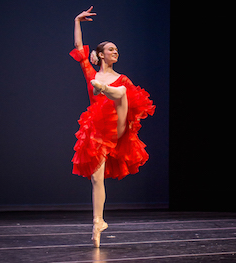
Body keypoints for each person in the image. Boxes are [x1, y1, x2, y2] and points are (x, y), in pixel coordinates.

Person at [69, 6, 156, 247]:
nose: (115, 52)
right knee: (97, 180)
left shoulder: (122, 78)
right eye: (111, 49)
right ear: (101, 54)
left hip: (118, 125)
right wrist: (77, 20)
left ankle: (106, 90)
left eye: (117, 50)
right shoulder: (90, 72)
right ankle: (98, 222)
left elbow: (136, 105)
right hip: (97, 131)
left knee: (122, 93)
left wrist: (106, 90)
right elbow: (79, 48)